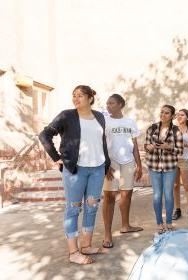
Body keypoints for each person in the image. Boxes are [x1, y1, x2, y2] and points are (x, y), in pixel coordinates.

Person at [39, 85, 111, 265]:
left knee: (92, 207)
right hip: (75, 170)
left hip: (97, 169)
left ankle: (86, 246)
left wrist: (106, 164)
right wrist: (57, 158)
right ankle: (74, 252)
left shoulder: (100, 117)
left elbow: (101, 141)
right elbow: (44, 135)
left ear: (90, 98)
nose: (76, 98)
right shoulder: (67, 115)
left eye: (80, 95)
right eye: (74, 96)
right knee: (73, 209)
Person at [102, 94, 143, 249]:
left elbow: (135, 145)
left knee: (127, 194)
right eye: (107, 103)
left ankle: (125, 226)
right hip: (111, 163)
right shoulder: (104, 121)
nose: (108, 106)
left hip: (128, 162)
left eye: (111, 103)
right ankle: (107, 234)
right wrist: (105, 165)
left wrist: (139, 165)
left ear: (120, 104)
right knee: (109, 197)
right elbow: (101, 144)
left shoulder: (130, 122)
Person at [144, 105, 183, 234]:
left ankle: (169, 222)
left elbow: (180, 150)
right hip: (154, 165)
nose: (163, 115)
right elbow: (146, 145)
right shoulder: (152, 128)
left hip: (170, 166)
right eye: (162, 112)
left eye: (166, 113)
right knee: (157, 195)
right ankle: (159, 222)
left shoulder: (176, 130)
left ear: (172, 116)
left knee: (168, 195)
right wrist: (150, 147)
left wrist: (168, 147)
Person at [172, 109, 188, 221]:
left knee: (187, 186)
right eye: (178, 115)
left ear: (187, 117)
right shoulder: (172, 129)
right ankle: (177, 210)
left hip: (185, 159)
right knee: (175, 186)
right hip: (172, 160)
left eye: (182, 115)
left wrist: (187, 145)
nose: (179, 116)